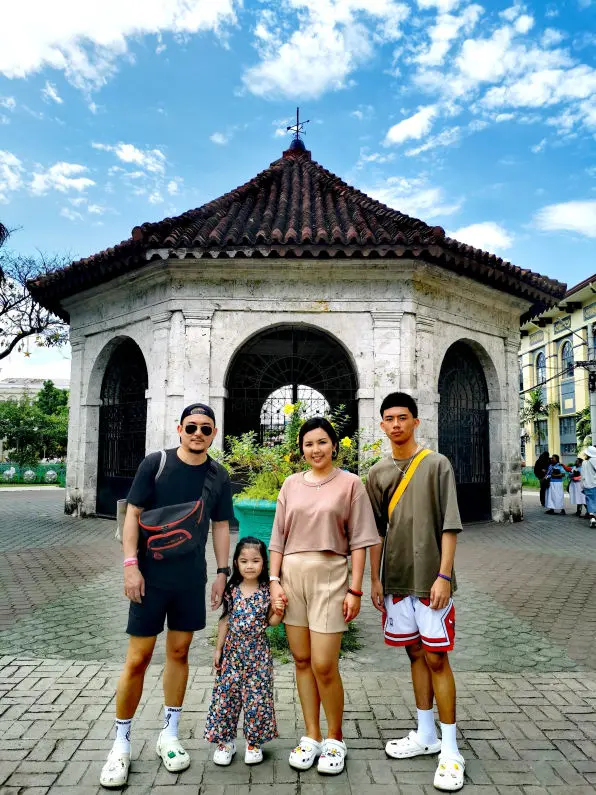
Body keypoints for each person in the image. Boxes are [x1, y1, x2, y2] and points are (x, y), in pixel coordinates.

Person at [100, 403, 234, 789]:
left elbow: (221, 524)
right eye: (191, 426)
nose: (197, 433)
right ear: (179, 429)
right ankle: (120, 744)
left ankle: (169, 735)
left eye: (205, 429)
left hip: (191, 579)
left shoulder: (217, 475)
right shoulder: (155, 464)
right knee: (138, 658)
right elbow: (132, 513)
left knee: (179, 653)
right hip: (149, 578)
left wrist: (222, 572)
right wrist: (129, 565)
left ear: (213, 434)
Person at [268, 417, 380, 776]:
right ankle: (312, 735)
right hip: (292, 578)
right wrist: (274, 581)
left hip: (332, 578)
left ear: (334, 445)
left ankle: (335, 737)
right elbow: (277, 539)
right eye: (308, 444)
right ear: (300, 449)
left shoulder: (350, 484)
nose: (315, 450)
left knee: (324, 665)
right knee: (301, 660)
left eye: (321, 442)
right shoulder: (290, 484)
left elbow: (362, 539)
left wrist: (356, 588)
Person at [366, 392, 465, 793]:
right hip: (395, 579)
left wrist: (443, 575)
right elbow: (372, 532)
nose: (395, 424)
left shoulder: (437, 465)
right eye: (388, 418)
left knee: (437, 657)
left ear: (416, 422)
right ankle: (426, 733)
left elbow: (450, 525)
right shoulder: (376, 473)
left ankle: (451, 748)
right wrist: (374, 579)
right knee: (413, 653)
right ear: (382, 424)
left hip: (430, 580)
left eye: (402, 417)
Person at [205, 537, 285, 765]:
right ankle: (225, 742)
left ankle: (253, 743)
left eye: (255, 561)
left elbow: (272, 622)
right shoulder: (231, 590)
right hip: (232, 654)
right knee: (226, 697)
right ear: (236, 563)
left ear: (264, 563)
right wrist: (218, 649)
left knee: (257, 699)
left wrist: (279, 610)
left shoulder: (267, 591)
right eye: (244, 561)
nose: (250, 565)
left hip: (258, 655)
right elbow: (225, 620)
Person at [581, 446, 596, 528]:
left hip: (587, 485)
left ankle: (592, 518)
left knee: (589, 502)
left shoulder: (584, 462)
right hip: (595, 484)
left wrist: (582, 486)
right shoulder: (595, 460)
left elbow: (582, 475)